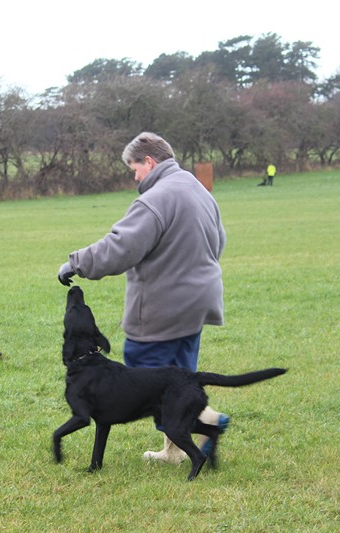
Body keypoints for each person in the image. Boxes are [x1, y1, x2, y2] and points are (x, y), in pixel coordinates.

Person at [57, 131, 229, 464]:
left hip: (163, 306)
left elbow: (121, 246)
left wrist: (76, 263)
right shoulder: (198, 189)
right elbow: (218, 240)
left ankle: (208, 422)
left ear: (149, 162)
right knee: (179, 374)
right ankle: (173, 451)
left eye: (134, 169)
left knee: (140, 376)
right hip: (198, 303)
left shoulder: (156, 199)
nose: (135, 177)